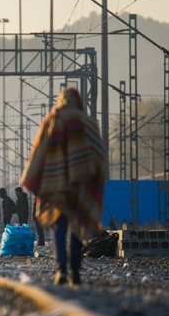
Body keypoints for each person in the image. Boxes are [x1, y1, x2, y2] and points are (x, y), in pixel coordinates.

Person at [20, 87, 107, 285]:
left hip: (56, 183)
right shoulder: (87, 122)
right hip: (81, 185)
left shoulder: (52, 119)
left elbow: (39, 151)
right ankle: (75, 271)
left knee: (59, 226)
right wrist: (93, 177)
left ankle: (61, 269)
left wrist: (33, 176)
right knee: (77, 228)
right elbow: (99, 155)